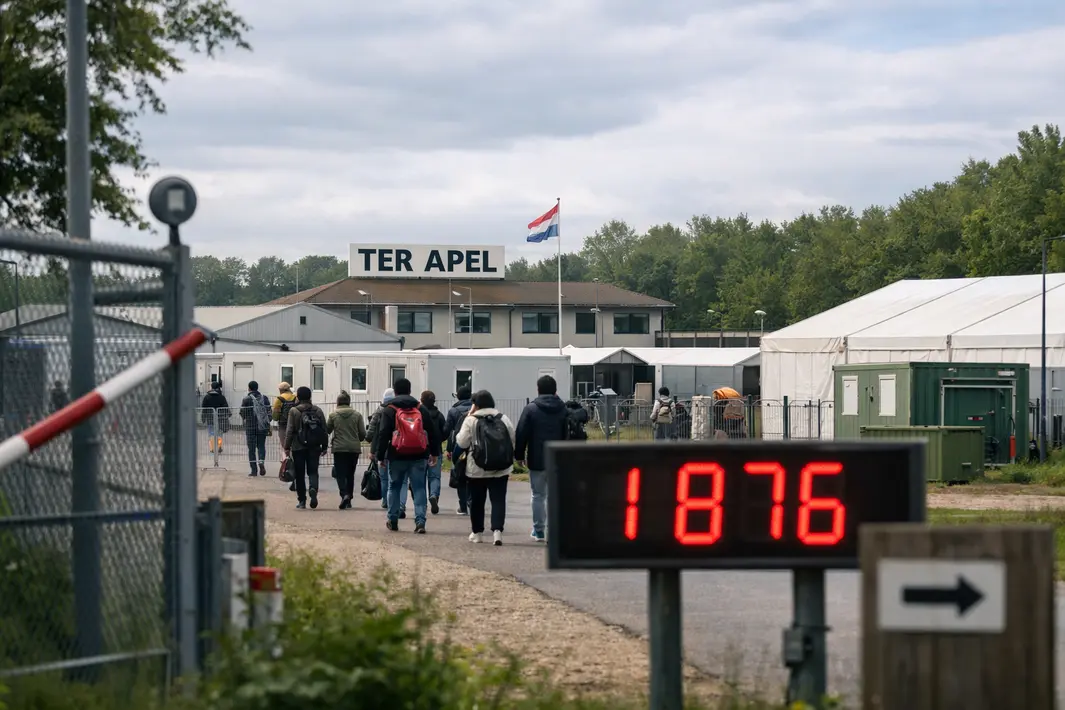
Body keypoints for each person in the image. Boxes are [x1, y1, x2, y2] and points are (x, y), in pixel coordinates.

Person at [374, 378, 441, 534]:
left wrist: (380, 456)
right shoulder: (420, 408)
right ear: (410, 391)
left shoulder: (389, 409)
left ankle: (393, 519)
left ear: (395, 391)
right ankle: (420, 522)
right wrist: (434, 453)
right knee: (419, 488)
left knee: (394, 486)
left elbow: (383, 434)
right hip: (419, 455)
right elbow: (432, 431)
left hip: (396, 455)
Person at [456, 389, 516, 546]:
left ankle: (477, 533)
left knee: (476, 501)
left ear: (475, 405)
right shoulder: (503, 418)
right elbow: (512, 439)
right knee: (498, 499)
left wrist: (469, 416)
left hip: (476, 468)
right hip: (501, 468)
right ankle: (497, 532)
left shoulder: (471, 420)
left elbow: (462, 442)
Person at [515, 375, 570, 542]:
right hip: (558, 457)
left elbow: (521, 433)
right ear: (555, 390)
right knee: (556, 495)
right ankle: (555, 530)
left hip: (537, 458)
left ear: (538, 389)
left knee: (538, 495)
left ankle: (538, 530)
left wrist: (519, 455)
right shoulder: (563, 409)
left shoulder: (531, 409)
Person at [284, 386, 328, 510]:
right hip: (314, 446)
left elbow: (289, 430)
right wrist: (324, 446)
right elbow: (324, 430)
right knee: (313, 471)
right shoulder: (318, 410)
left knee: (299, 473)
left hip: (298, 447)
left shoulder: (294, 411)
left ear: (298, 396)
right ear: (310, 397)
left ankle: (302, 500)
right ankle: (313, 488)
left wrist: (286, 447)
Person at [368, 387, 407, 516]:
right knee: (401, 480)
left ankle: (386, 500)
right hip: (399, 448)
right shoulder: (401, 411)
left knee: (384, 478)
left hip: (383, 449)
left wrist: (374, 451)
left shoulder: (380, 412)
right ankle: (401, 505)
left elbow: (374, 434)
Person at [328, 390, 367, 509]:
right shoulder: (357, 415)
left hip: (339, 448)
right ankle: (349, 498)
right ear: (349, 402)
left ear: (338, 402)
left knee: (340, 474)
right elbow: (362, 433)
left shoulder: (333, 415)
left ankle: (344, 494)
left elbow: (327, 429)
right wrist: (357, 438)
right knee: (350, 474)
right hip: (353, 449)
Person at [442, 385, 473, 515]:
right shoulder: (475, 408)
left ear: (458, 396)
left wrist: (448, 449)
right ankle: (472, 502)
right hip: (475, 447)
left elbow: (449, 431)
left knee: (460, 475)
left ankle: (463, 506)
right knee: (473, 476)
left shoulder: (454, 411)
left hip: (458, 446)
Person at [420, 390, 447, 515]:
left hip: (421, 449)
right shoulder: (439, 415)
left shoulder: (419, 414)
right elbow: (446, 431)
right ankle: (434, 495)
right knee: (434, 476)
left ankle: (421, 502)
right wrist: (439, 440)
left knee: (420, 478)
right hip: (436, 449)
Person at [239, 380, 272, 477]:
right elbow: (269, 411)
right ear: (257, 388)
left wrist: (245, 418)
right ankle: (261, 461)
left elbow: (242, 413)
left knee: (251, 449)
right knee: (261, 446)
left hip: (250, 426)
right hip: (262, 427)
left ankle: (254, 470)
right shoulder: (264, 398)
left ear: (249, 388)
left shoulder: (246, 399)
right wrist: (266, 422)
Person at [200, 380, 229, 453]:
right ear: (218, 387)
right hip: (220, 418)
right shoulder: (222, 397)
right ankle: (218, 447)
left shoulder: (207, 397)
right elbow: (226, 407)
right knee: (219, 434)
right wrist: (227, 416)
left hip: (210, 419)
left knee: (211, 434)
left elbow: (204, 408)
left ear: (211, 387)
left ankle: (213, 448)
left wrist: (203, 418)